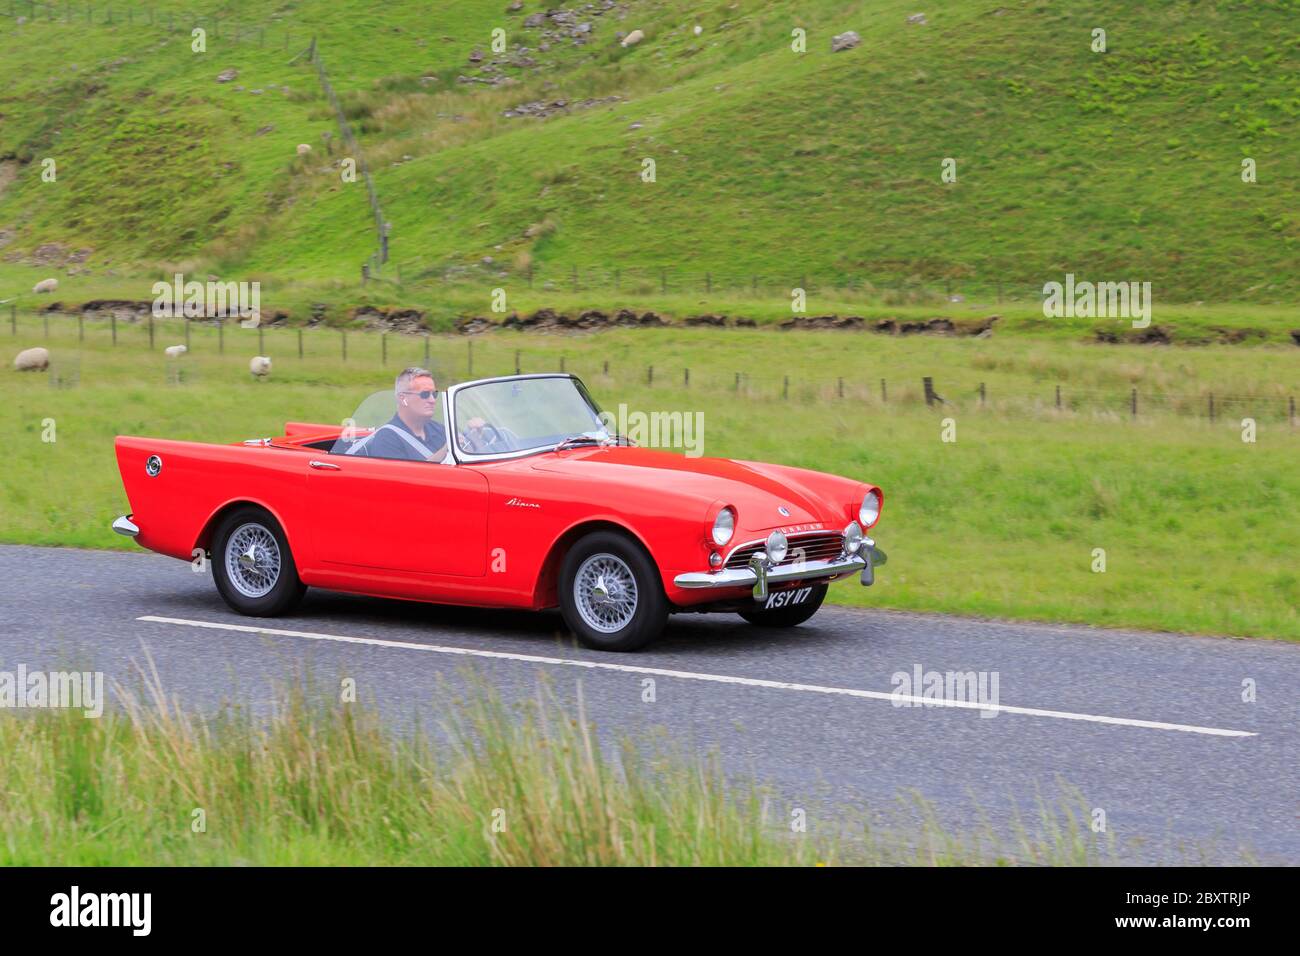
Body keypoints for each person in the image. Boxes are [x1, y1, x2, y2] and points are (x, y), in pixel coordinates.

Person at [347, 367, 487, 462]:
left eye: (434, 394)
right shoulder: (387, 438)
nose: (432, 400)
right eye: (425, 394)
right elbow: (402, 484)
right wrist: (444, 451)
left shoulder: (439, 430)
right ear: (403, 398)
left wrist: (475, 440)